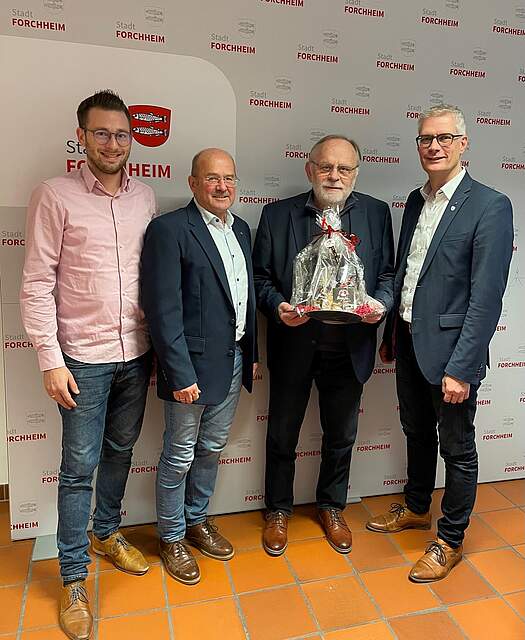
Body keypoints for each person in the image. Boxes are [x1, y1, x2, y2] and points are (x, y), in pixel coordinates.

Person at [20, 90, 156, 640]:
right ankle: (74, 577)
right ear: (82, 137)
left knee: (121, 451)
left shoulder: (145, 196)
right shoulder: (54, 196)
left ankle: (107, 532)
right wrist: (50, 360)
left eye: (122, 134)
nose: (113, 143)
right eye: (101, 133)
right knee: (78, 469)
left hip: (137, 353)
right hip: (83, 357)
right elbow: (35, 284)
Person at [366, 105, 514, 582]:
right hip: (409, 341)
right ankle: (415, 507)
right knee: (415, 430)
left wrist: (463, 368)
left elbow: (486, 297)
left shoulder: (490, 205)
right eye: (425, 139)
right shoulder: (415, 200)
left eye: (444, 138)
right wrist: (393, 334)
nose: (434, 146)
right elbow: (411, 272)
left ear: (463, 143)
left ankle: (449, 539)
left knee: (458, 447)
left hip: (452, 354)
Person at [252, 135, 394, 556]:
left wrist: (380, 306)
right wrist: (278, 308)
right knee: (282, 434)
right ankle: (277, 510)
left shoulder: (375, 213)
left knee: (341, 436)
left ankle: (332, 506)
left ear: (356, 172)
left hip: (350, 348)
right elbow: (260, 280)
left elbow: (387, 275)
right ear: (309, 169)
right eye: (326, 167)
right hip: (294, 343)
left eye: (344, 168)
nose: (335, 176)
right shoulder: (278, 216)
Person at [140, 148, 257, 585]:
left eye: (229, 178)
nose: (222, 186)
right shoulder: (169, 230)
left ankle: (196, 519)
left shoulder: (241, 229)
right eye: (212, 179)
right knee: (179, 454)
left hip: (233, 362)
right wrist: (178, 373)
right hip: (190, 368)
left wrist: (252, 356)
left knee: (211, 449)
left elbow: (239, 302)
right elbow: (162, 309)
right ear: (193, 183)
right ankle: (171, 536)